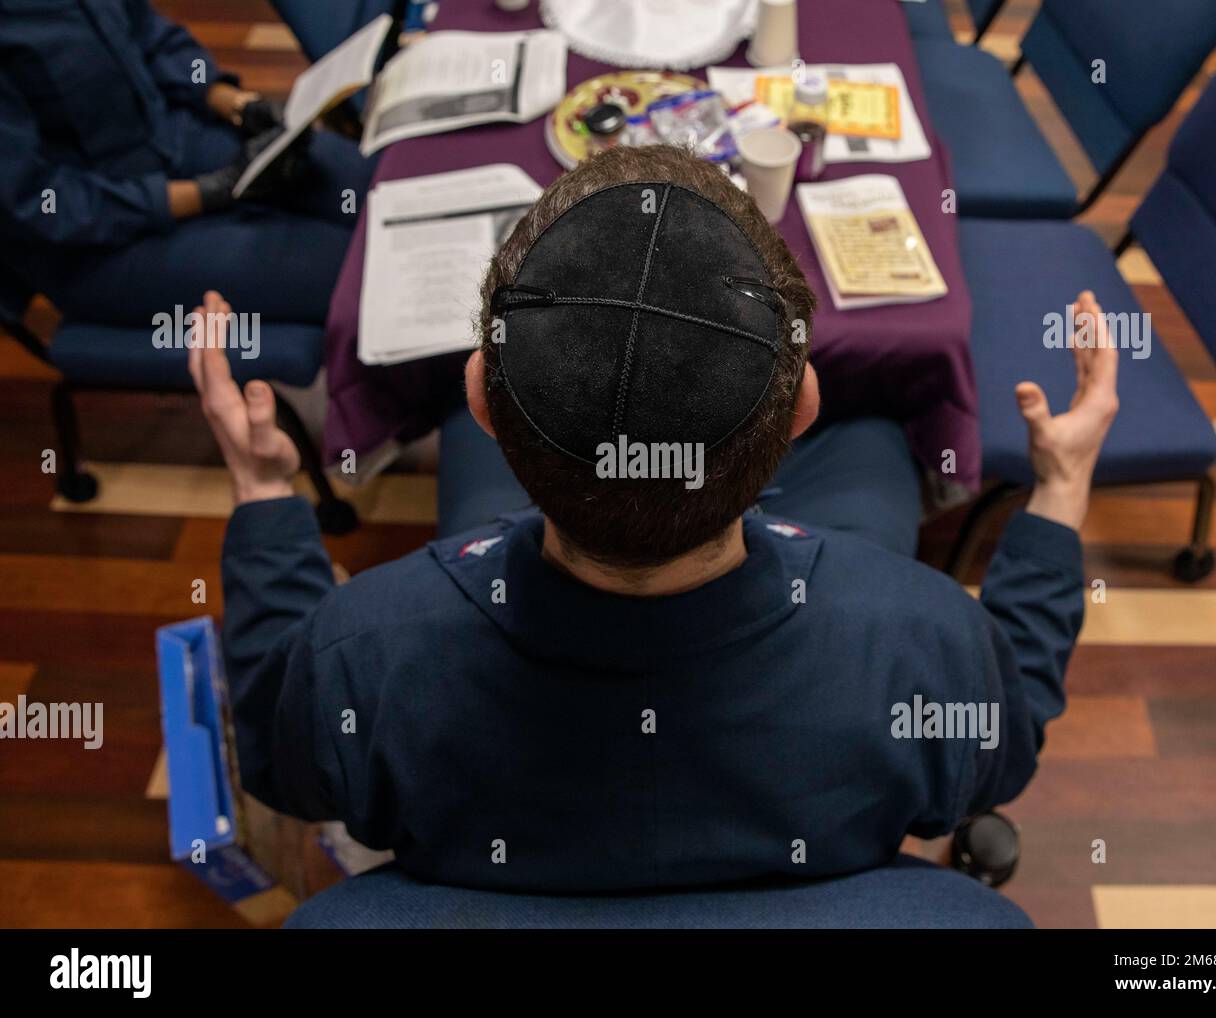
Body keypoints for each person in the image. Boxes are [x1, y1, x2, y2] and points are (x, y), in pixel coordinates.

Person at [198, 145, 1118, 893]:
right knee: (879, 444)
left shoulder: (362, 656)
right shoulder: (925, 643)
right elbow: (1009, 736)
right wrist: (1061, 489)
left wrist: (266, 494)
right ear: (802, 408)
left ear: (479, 397)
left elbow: (283, 762)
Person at [0, 0, 374, 326]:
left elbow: (154, 40)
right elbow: (39, 203)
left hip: (175, 138)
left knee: (369, 188)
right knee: (348, 269)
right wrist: (209, 193)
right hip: (98, 243)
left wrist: (238, 104)